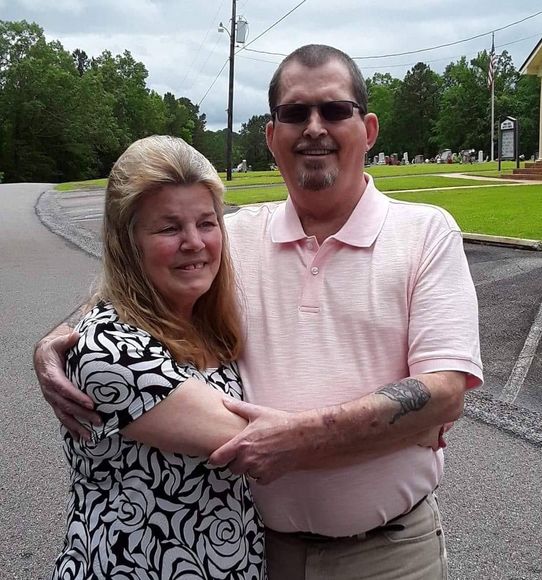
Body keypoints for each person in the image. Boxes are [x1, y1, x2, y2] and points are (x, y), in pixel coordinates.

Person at [36, 45, 482, 580]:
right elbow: (134, 289)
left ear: (368, 129)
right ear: (272, 136)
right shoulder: (232, 237)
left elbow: (445, 391)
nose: (314, 127)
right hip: (260, 553)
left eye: (333, 109)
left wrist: (302, 438)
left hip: (388, 555)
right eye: (294, 113)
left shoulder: (426, 233)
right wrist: (61, 338)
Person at [48, 135, 265, 579]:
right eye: (169, 228)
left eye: (206, 223)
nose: (194, 242)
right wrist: (393, 428)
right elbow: (262, 442)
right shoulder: (108, 350)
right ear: (128, 242)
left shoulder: (208, 326)